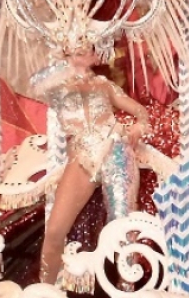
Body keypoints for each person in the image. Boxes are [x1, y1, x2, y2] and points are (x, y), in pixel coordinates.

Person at [30, 45, 151, 285]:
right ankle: (46, 292)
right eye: (77, 45)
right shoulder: (55, 85)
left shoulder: (104, 85)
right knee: (55, 231)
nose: (83, 49)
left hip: (115, 149)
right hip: (82, 156)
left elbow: (141, 112)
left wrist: (139, 126)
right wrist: (66, 62)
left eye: (89, 47)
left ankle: (127, 291)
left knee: (121, 224)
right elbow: (34, 82)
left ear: (97, 56)